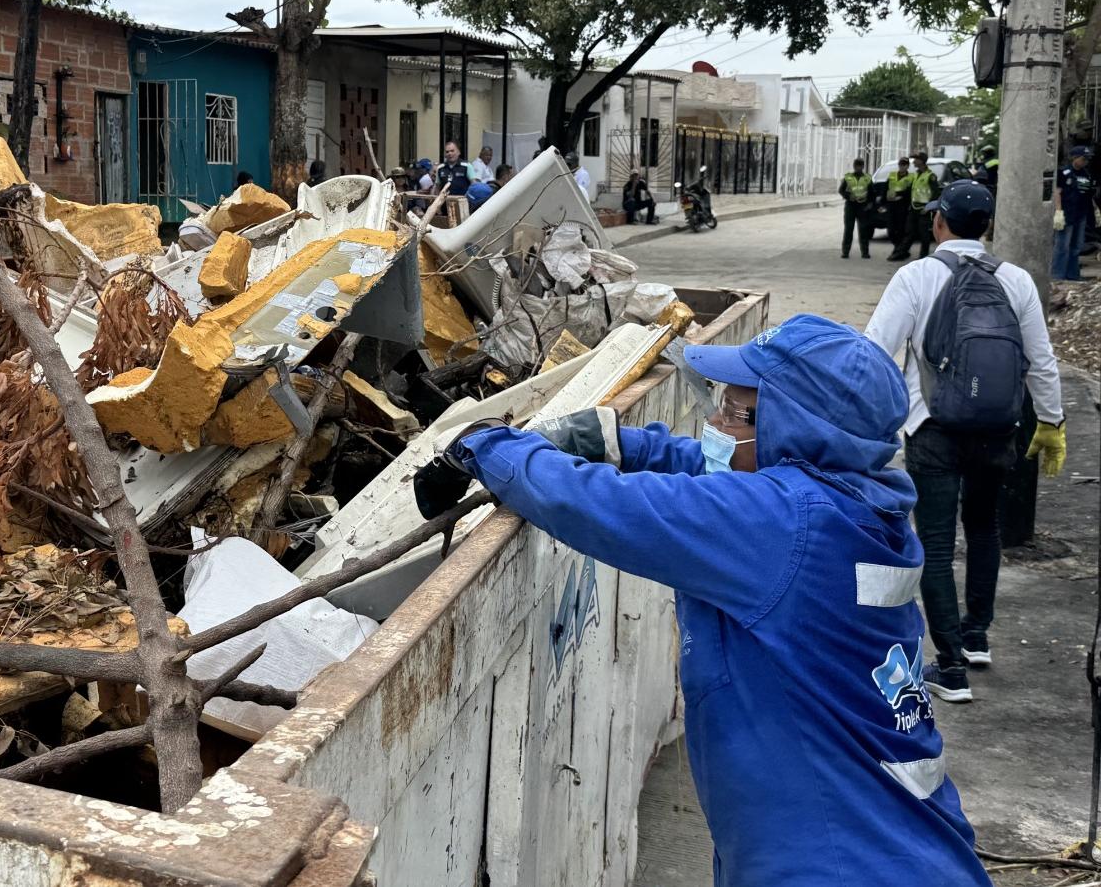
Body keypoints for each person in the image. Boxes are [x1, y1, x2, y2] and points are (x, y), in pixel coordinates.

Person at [414, 314, 991, 887]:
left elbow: (599, 506)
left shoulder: (784, 527)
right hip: (896, 844)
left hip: (836, 864)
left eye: (732, 412)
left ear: (791, 428)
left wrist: (484, 443)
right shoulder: (858, 500)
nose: (713, 422)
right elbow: (720, 470)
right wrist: (612, 439)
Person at [865, 179, 1066, 703]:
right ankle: (977, 637)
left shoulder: (917, 275)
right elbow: (1040, 359)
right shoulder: (1017, 281)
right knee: (984, 528)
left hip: (931, 426)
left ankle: (950, 666)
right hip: (999, 426)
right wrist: (1051, 421)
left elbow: (876, 352)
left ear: (938, 222)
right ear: (990, 227)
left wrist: (871, 424)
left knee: (933, 540)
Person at [1053, 146, 1094, 281]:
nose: (1085, 162)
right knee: (1062, 246)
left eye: (1087, 159)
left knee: (1076, 247)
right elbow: (1057, 192)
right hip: (1067, 215)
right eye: (1083, 159)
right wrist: (1058, 212)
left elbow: (1089, 195)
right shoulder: (1064, 173)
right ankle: (1057, 275)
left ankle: (1073, 275)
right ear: (1074, 158)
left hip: (1081, 215)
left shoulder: (1086, 175)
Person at [896, 151, 940, 260]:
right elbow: (910, 190)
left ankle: (923, 256)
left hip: (924, 209)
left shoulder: (931, 176)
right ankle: (902, 253)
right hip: (914, 208)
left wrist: (928, 208)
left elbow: (936, 194)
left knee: (924, 234)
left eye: (916, 159)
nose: (914, 161)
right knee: (909, 231)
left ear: (921, 161)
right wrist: (897, 194)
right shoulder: (915, 174)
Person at [839, 158, 875, 259]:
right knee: (848, 230)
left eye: (860, 166)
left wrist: (870, 204)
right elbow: (841, 190)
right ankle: (845, 252)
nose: (858, 168)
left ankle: (865, 252)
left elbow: (872, 193)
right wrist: (848, 196)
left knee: (863, 230)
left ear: (863, 167)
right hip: (850, 206)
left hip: (863, 206)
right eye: (856, 166)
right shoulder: (848, 177)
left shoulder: (867, 178)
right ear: (854, 166)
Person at [885, 157, 915, 260]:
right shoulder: (892, 175)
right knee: (891, 231)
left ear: (907, 166)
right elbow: (885, 188)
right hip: (891, 205)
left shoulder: (911, 177)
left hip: (902, 206)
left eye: (904, 165)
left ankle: (899, 251)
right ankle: (900, 249)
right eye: (900, 164)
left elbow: (910, 192)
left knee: (901, 230)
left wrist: (898, 194)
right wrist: (883, 202)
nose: (902, 166)